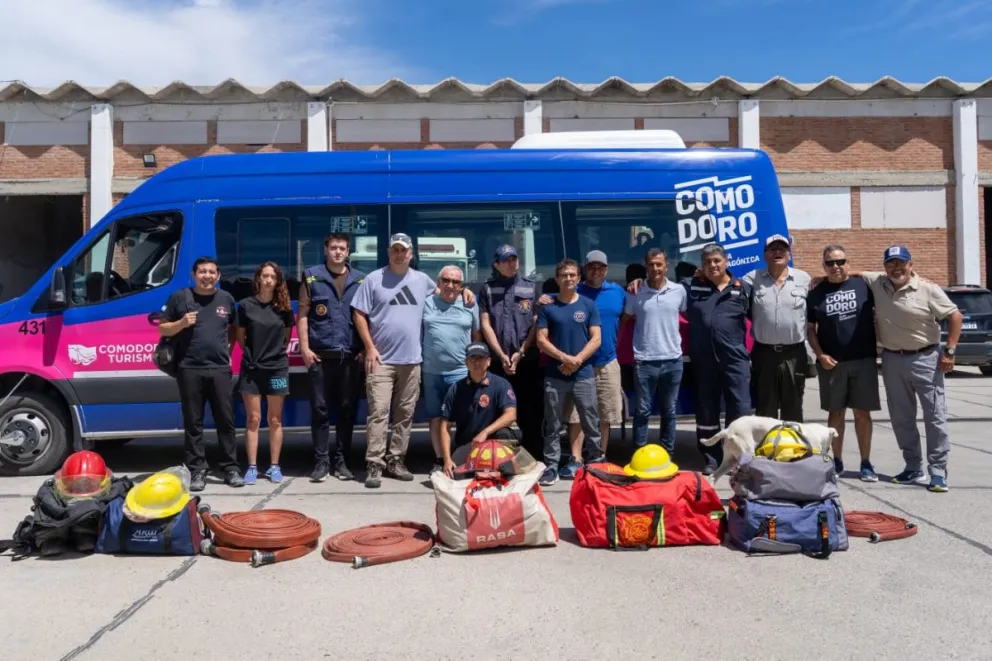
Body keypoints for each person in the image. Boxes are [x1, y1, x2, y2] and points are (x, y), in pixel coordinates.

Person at [351, 233, 475, 489]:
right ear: (389, 252)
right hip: (381, 361)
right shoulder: (373, 279)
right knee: (378, 414)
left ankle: (396, 460)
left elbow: (447, 291)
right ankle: (374, 464)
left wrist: (468, 290)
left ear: (411, 254)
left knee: (405, 414)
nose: (399, 254)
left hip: (412, 361)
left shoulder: (422, 281)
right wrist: (369, 347)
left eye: (404, 250)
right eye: (395, 249)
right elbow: (359, 314)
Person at [858, 246, 962, 492]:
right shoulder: (878, 282)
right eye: (891, 263)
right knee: (901, 418)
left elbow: (955, 316)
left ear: (910, 264)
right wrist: (820, 278)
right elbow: (854, 272)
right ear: (884, 267)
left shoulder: (927, 288)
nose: (896, 268)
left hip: (926, 358)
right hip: (893, 360)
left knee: (934, 417)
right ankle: (912, 467)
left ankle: (937, 471)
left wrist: (950, 351)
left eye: (901, 263)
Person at [158, 256, 243, 492]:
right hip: (189, 368)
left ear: (218, 276)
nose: (207, 276)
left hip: (219, 369)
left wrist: (228, 349)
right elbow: (162, 326)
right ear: (194, 275)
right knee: (193, 422)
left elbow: (234, 328)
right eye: (202, 272)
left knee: (226, 420)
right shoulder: (180, 298)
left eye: (212, 272)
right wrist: (182, 323)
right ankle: (197, 470)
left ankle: (231, 467)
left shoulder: (226, 299)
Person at [806, 245, 880, 481]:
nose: (835, 267)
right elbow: (810, 329)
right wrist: (820, 355)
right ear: (823, 265)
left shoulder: (864, 286)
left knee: (862, 414)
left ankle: (866, 463)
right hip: (832, 364)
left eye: (840, 262)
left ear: (848, 263)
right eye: (830, 263)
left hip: (863, 360)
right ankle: (835, 461)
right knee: (835, 414)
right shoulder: (816, 292)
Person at [298, 232, 365, 483]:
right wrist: (304, 348)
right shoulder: (312, 275)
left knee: (347, 410)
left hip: (349, 356)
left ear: (348, 252)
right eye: (333, 247)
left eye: (342, 248)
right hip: (320, 356)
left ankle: (342, 461)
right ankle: (321, 462)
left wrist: (366, 348)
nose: (338, 252)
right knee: (320, 410)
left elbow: (367, 316)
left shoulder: (360, 279)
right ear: (326, 250)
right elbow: (303, 314)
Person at [679, 243, 752, 474]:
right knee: (707, 411)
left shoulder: (742, 288)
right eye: (708, 262)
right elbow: (662, 286)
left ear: (726, 261)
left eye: (717, 261)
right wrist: (638, 281)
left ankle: (736, 458)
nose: (712, 265)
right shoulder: (690, 287)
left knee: (739, 409)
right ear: (701, 265)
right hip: (704, 360)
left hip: (735, 359)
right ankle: (711, 458)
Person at [535, 258, 606, 486]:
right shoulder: (548, 307)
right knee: (553, 423)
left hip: (583, 374)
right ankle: (551, 466)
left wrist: (577, 360)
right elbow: (541, 340)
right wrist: (565, 359)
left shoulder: (588, 305)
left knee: (590, 421)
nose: (568, 279)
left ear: (578, 278)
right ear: (557, 279)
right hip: (555, 375)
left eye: (572, 275)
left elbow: (596, 339)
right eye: (564, 275)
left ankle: (595, 462)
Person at [478, 244, 543, 459]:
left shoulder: (531, 288)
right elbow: (486, 324)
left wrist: (521, 352)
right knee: (494, 411)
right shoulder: (487, 289)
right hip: (498, 362)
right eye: (506, 260)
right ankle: (494, 458)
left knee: (529, 412)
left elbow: (536, 323)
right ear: (496, 264)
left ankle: (534, 457)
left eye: (514, 259)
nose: (511, 263)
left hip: (526, 361)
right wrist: (501, 355)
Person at [235, 262, 295, 485]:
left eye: (273, 277)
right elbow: (241, 337)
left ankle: (274, 466)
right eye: (264, 276)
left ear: (277, 281)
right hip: (252, 369)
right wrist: (254, 355)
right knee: (253, 419)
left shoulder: (285, 308)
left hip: (277, 368)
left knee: (275, 419)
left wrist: (271, 354)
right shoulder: (245, 306)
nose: (268, 280)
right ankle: (252, 467)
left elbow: (286, 337)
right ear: (258, 279)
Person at [621, 248, 686, 453]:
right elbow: (624, 320)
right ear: (646, 266)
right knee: (642, 411)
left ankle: (668, 454)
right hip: (644, 361)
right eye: (651, 264)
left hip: (673, 360)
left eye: (659, 264)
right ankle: (639, 453)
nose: (655, 268)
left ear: (666, 266)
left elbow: (686, 315)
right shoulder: (635, 292)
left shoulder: (679, 291)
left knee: (669, 411)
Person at [742, 234, 811, 422]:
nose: (777, 252)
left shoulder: (804, 279)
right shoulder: (751, 279)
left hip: (794, 353)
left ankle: (792, 450)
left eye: (782, 249)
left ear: (789, 254)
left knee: (794, 407)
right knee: (765, 408)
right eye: (773, 249)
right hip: (764, 354)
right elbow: (730, 289)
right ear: (765, 255)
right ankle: (767, 450)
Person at [423, 265, 482, 473]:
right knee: (436, 418)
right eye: (446, 280)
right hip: (432, 371)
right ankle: (440, 461)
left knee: (466, 417)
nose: (450, 285)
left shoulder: (470, 304)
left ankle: (465, 459)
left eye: (456, 282)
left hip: (460, 370)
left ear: (462, 285)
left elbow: (476, 337)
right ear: (438, 283)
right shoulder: (427, 302)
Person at [438, 342, 518, 477]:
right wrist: (447, 459)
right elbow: (445, 426)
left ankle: (498, 471)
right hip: (470, 445)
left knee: (506, 434)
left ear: (489, 361)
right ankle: (485, 473)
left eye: (480, 358)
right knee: (455, 475)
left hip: (494, 443)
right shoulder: (456, 389)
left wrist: (485, 432)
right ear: (466, 362)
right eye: (472, 358)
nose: (476, 362)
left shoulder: (501, 384)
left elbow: (511, 415)